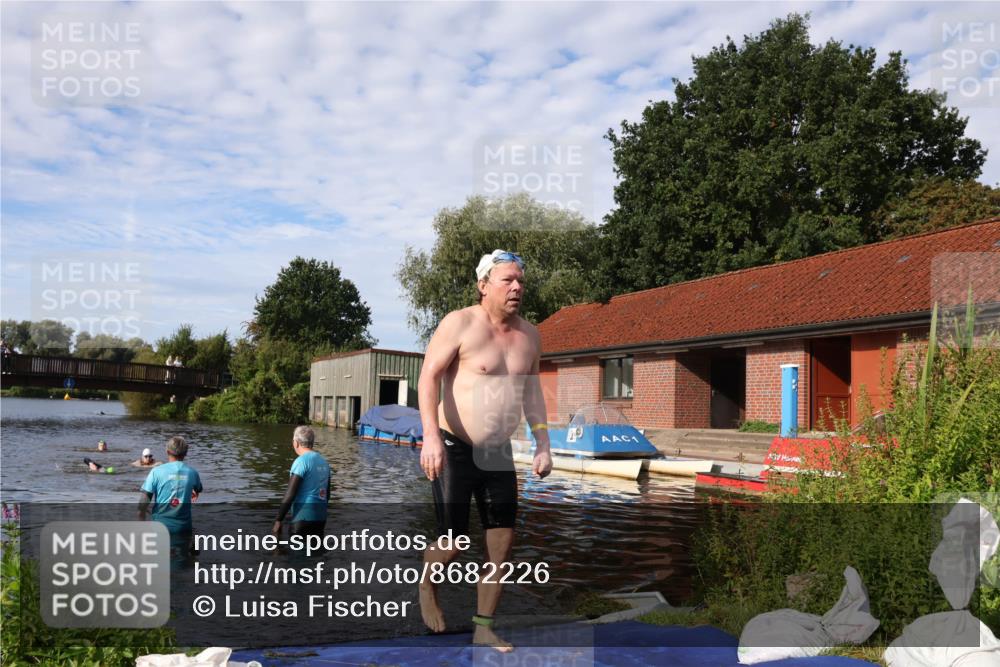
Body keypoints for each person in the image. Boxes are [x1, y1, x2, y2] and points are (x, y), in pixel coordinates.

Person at [417, 249, 552, 652]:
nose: (517, 287)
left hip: (498, 453)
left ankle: (483, 626)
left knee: (501, 545)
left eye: (520, 281)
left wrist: (543, 442)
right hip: (454, 447)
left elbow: (532, 395)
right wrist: (430, 437)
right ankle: (427, 583)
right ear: (483, 285)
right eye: (507, 280)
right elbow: (428, 378)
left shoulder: (530, 336)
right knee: (454, 543)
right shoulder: (459, 323)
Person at [138, 436, 203, 546]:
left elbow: (145, 498)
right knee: (185, 557)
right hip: (183, 527)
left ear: (167, 451)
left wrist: (141, 515)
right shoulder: (192, 473)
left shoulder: (156, 472)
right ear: (186, 453)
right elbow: (198, 489)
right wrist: (192, 491)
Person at [272, 426, 330, 538]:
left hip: (302, 519)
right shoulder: (324, 462)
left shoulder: (301, 462)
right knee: (316, 553)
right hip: (321, 520)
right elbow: (327, 495)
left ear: (296, 443)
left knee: (297, 553)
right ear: (311, 443)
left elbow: (290, 494)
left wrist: (278, 520)